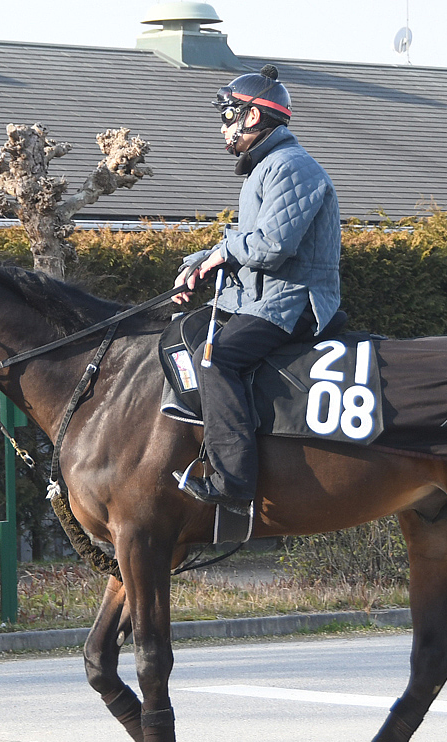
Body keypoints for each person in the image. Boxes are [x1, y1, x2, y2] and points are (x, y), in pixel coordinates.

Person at [173, 65, 341, 515]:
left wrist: (221, 254)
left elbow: (270, 247)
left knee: (216, 358)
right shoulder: (265, 168)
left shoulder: (292, 166)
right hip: (261, 298)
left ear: (252, 118)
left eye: (228, 115)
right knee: (181, 334)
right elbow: (245, 238)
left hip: (293, 300)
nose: (222, 126)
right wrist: (197, 264)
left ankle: (233, 481)